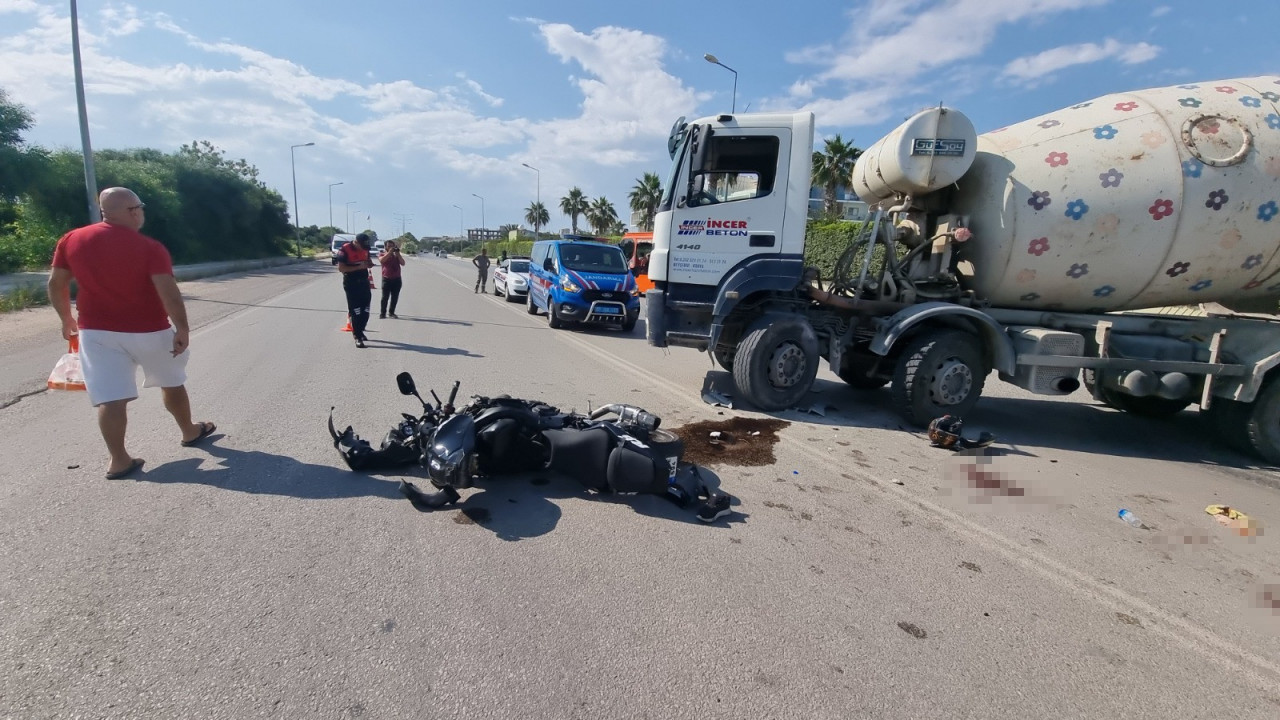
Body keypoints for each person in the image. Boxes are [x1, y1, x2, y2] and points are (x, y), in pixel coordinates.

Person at [46, 187, 217, 480]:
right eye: (140, 207)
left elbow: (55, 283)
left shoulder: (71, 240)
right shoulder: (150, 248)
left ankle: (119, 460)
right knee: (171, 382)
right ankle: (189, 431)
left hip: (96, 333)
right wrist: (183, 328)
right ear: (133, 211)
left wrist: (65, 320)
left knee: (111, 398)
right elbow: (169, 292)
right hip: (148, 330)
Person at [336, 233, 375, 347]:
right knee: (356, 311)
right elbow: (341, 268)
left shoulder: (365, 249)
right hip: (352, 283)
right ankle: (357, 336)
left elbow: (368, 261)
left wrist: (369, 264)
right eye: (362, 246)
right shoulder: (345, 249)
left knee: (366, 310)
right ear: (356, 242)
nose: (364, 248)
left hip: (364, 282)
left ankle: (361, 330)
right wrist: (359, 267)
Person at [378, 239, 405, 319]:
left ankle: (391, 312)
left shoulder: (396, 255)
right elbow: (382, 260)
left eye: (392, 246)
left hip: (397, 279)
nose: (391, 248)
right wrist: (389, 253)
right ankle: (383, 313)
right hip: (386, 279)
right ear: (385, 247)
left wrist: (398, 254)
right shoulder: (382, 254)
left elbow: (403, 263)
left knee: (395, 297)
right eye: (389, 246)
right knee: (384, 297)